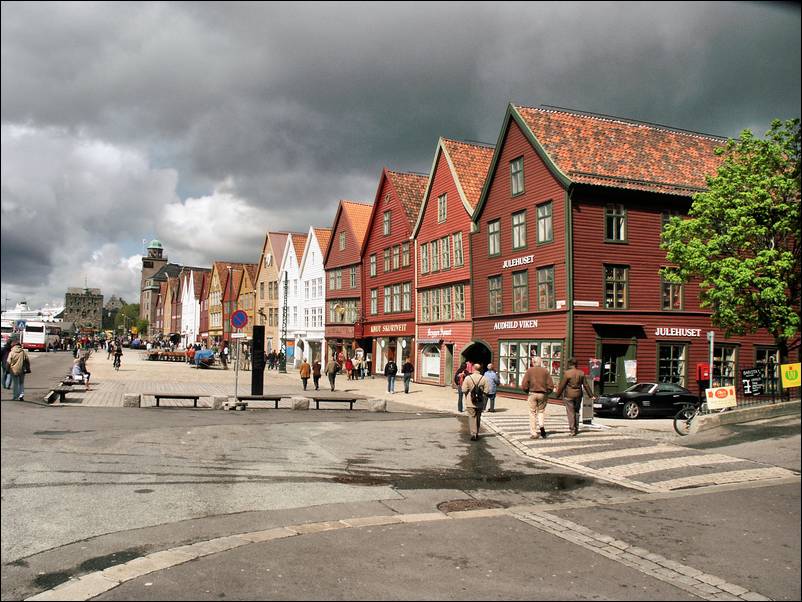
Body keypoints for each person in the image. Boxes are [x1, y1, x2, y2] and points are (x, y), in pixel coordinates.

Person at [555, 357, 596, 436]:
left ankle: (572, 429)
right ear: (576, 364)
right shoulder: (581, 373)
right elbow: (586, 385)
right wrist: (591, 395)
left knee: (570, 412)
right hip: (578, 395)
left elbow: (562, 385)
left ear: (570, 364)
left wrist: (557, 395)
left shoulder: (567, 373)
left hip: (569, 395)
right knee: (577, 411)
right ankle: (576, 428)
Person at [521, 358, 554, 439]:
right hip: (542, 394)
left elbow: (524, 384)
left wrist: (527, 391)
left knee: (532, 413)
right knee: (541, 412)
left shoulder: (529, 371)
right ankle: (541, 426)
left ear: (533, 362)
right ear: (540, 362)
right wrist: (547, 392)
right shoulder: (545, 371)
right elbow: (550, 385)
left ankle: (534, 433)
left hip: (532, 393)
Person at [461, 363, 490, 441]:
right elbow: (487, 391)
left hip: (470, 401)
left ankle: (473, 433)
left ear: (473, 368)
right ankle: (476, 432)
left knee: (472, 417)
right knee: (478, 417)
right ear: (480, 369)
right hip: (480, 401)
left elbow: (463, 390)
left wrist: (469, 392)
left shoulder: (468, 378)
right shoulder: (484, 378)